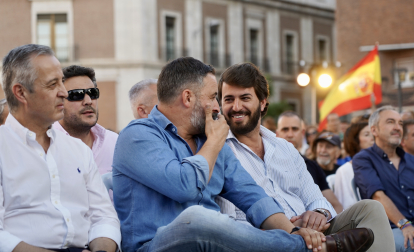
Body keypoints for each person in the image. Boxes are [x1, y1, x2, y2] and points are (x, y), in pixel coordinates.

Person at [113, 57, 374, 252]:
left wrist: (296, 232)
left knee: (213, 220)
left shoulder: (208, 139)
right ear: (188, 97)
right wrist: (214, 143)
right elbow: (183, 187)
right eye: (214, 97)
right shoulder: (138, 135)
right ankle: (302, 249)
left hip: (217, 244)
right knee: (198, 218)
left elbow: (253, 197)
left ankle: (302, 245)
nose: (218, 107)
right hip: (154, 245)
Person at [215, 62, 394, 252]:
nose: (236, 107)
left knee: (371, 209)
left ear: (262, 102)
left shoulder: (285, 148)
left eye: (244, 98)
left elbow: (315, 197)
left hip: (315, 232)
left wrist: (318, 214)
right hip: (266, 239)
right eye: (228, 99)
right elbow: (229, 222)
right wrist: (289, 228)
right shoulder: (218, 149)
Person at [0, 44, 120, 252]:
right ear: (21, 92)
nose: (64, 93)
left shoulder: (78, 150)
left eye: (61, 83)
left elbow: (104, 217)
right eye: (52, 84)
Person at [353, 105, 414, 252]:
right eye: (390, 122)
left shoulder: (411, 160)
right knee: (408, 245)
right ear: (374, 130)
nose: (397, 127)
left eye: (400, 123)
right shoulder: (363, 159)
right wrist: (405, 224)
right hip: (390, 228)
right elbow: (378, 197)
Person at [53, 65, 118, 175]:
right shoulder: (46, 144)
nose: (88, 101)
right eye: (76, 95)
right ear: (58, 101)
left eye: (92, 93)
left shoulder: (115, 143)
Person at [276, 111, 343, 214]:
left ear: (302, 133)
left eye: (294, 129)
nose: (290, 134)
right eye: (285, 129)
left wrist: (325, 218)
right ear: (277, 134)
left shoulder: (312, 166)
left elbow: (335, 205)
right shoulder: (266, 163)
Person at [334, 122, 374, 209]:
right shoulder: (344, 170)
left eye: (373, 133)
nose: (373, 138)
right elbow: (346, 208)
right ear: (355, 140)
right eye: (367, 134)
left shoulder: (383, 165)